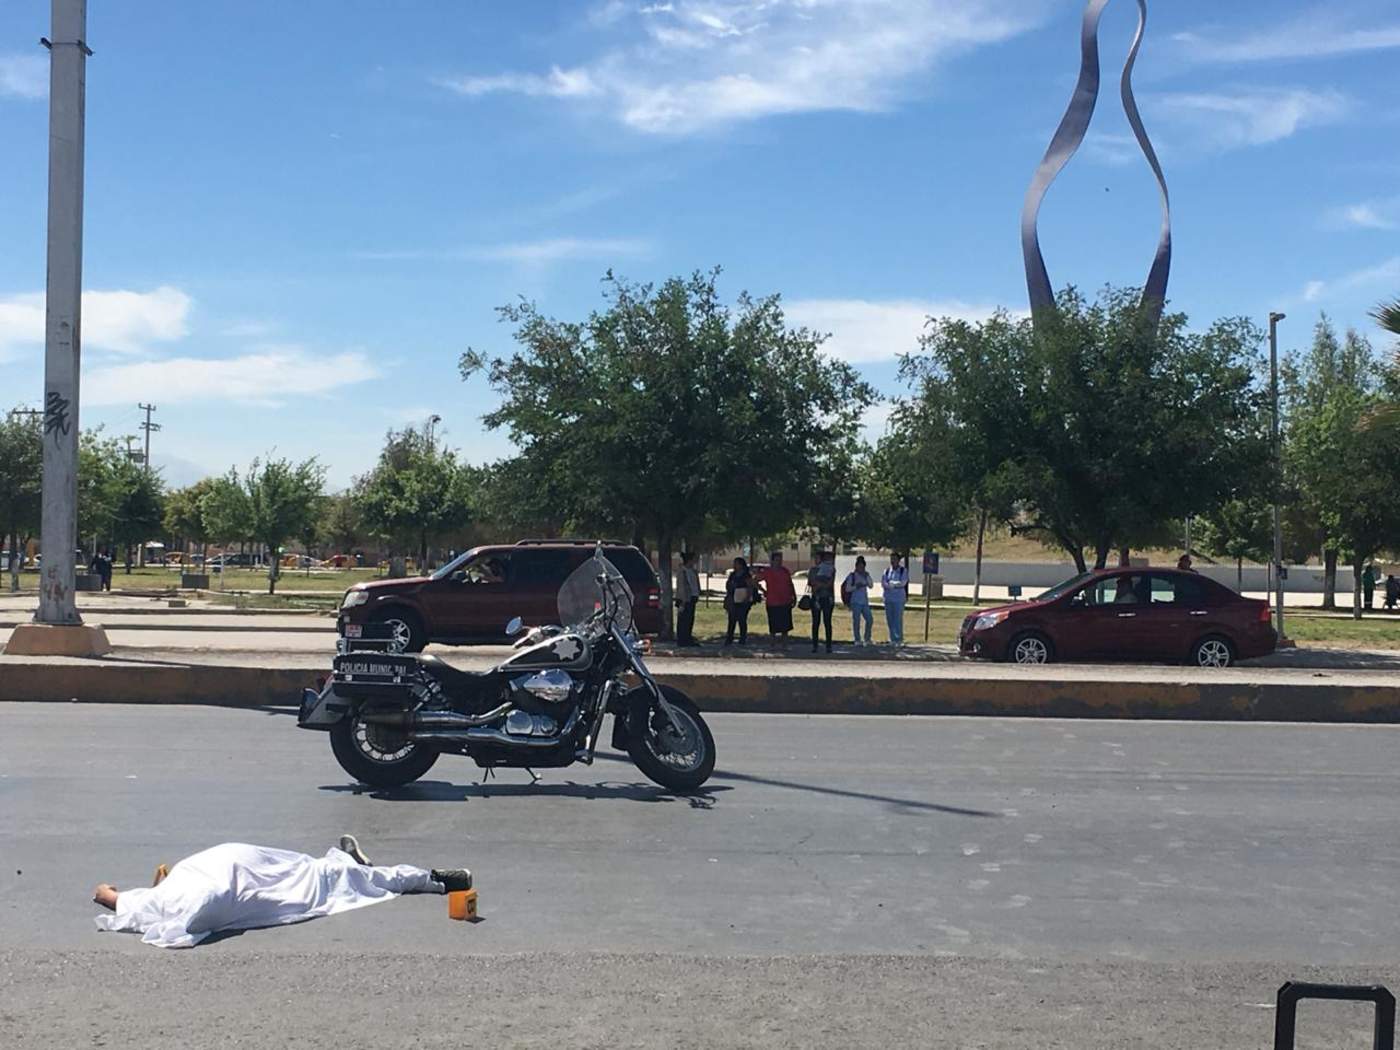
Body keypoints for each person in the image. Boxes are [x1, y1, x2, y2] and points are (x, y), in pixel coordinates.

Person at [92, 835, 471, 949]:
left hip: (245, 879)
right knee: (320, 874)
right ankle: (425, 878)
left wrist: (116, 893)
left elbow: (105, 896)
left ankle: (429, 879)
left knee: (327, 881)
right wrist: (117, 893)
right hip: (243, 863)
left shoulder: (158, 901)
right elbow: (106, 893)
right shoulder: (170, 889)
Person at [755, 551, 796, 647]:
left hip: (785, 601)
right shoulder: (767, 572)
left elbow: (790, 584)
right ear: (772, 561)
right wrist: (763, 591)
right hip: (772, 602)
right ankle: (772, 644)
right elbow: (754, 580)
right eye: (777, 560)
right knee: (773, 625)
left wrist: (793, 596)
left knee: (785, 625)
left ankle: (784, 644)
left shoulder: (785, 571)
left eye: (780, 560)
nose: (779, 562)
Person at [808, 550, 837, 653]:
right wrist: (820, 584)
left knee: (827, 622)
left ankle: (828, 645)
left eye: (818, 558)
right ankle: (815, 645)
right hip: (816, 598)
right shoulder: (813, 570)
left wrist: (820, 584)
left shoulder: (830, 569)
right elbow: (811, 582)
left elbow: (830, 583)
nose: (816, 560)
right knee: (815, 622)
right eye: (815, 558)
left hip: (827, 598)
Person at [843, 555, 874, 646]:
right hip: (855, 601)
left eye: (863, 567)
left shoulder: (866, 575)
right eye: (859, 567)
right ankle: (857, 639)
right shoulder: (852, 576)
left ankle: (867, 638)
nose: (861, 569)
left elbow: (871, 585)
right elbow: (847, 588)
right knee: (856, 621)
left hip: (864, 601)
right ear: (856, 566)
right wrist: (856, 586)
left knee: (869, 619)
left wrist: (867, 576)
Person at [723, 556, 755, 646]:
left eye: (736, 563)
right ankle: (729, 638)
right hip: (733, 599)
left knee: (742, 619)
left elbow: (750, 587)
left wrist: (747, 598)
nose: (734, 565)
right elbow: (728, 584)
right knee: (731, 619)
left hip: (743, 599)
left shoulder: (746, 575)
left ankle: (742, 638)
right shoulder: (733, 574)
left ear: (741, 565)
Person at [881, 552, 909, 646]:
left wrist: (893, 584)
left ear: (898, 560)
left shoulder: (903, 571)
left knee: (898, 619)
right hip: (888, 599)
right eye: (891, 559)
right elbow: (884, 583)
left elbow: (903, 582)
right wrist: (891, 585)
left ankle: (899, 639)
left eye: (894, 559)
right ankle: (892, 639)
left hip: (898, 599)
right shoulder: (887, 571)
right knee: (890, 619)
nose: (892, 561)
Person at [675, 551, 701, 647]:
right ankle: (682, 639)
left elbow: (695, 584)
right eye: (693, 560)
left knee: (690, 619)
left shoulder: (693, 571)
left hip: (692, 597)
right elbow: (681, 587)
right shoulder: (682, 571)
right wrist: (682, 600)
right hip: (685, 599)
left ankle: (688, 637)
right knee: (683, 620)